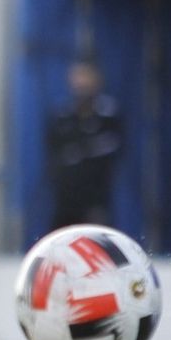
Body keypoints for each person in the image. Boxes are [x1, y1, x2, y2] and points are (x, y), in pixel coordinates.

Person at [46, 57, 122, 230]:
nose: (82, 83)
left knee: (96, 236)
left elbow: (112, 148)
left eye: (86, 76)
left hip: (96, 196)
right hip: (66, 196)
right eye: (78, 76)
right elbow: (54, 150)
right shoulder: (62, 115)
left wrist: (81, 151)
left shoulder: (108, 115)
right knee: (62, 237)